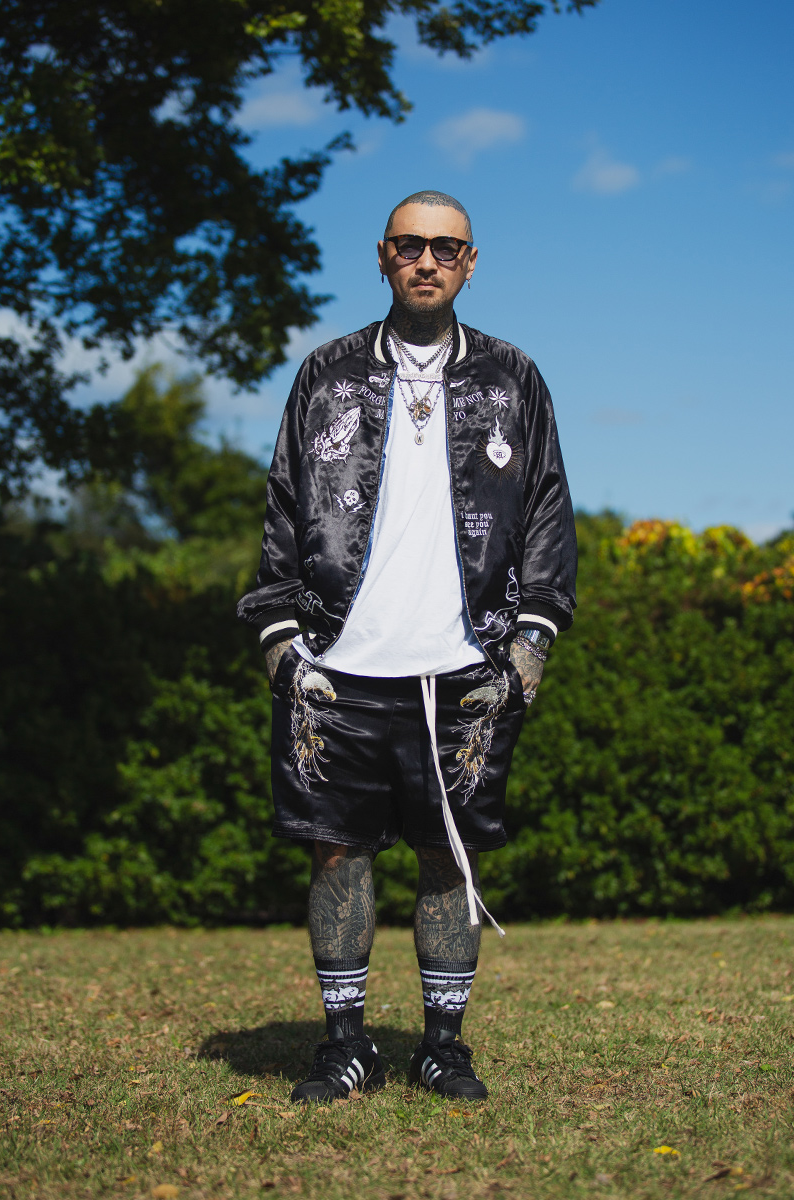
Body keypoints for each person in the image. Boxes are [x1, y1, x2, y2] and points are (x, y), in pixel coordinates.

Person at [238, 190, 577, 1103]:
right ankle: (344, 1046)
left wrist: (531, 643)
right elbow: (283, 502)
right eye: (409, 245)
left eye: (446, 248)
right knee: (335, 853)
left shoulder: (513, 377)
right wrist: (279, 638)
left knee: (449, 856)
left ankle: (443, 1047)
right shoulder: (327, 372)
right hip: (336, 662)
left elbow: (547, 507)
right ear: (383, 256)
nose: (427, 260)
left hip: (465, 667)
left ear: (471, 263)